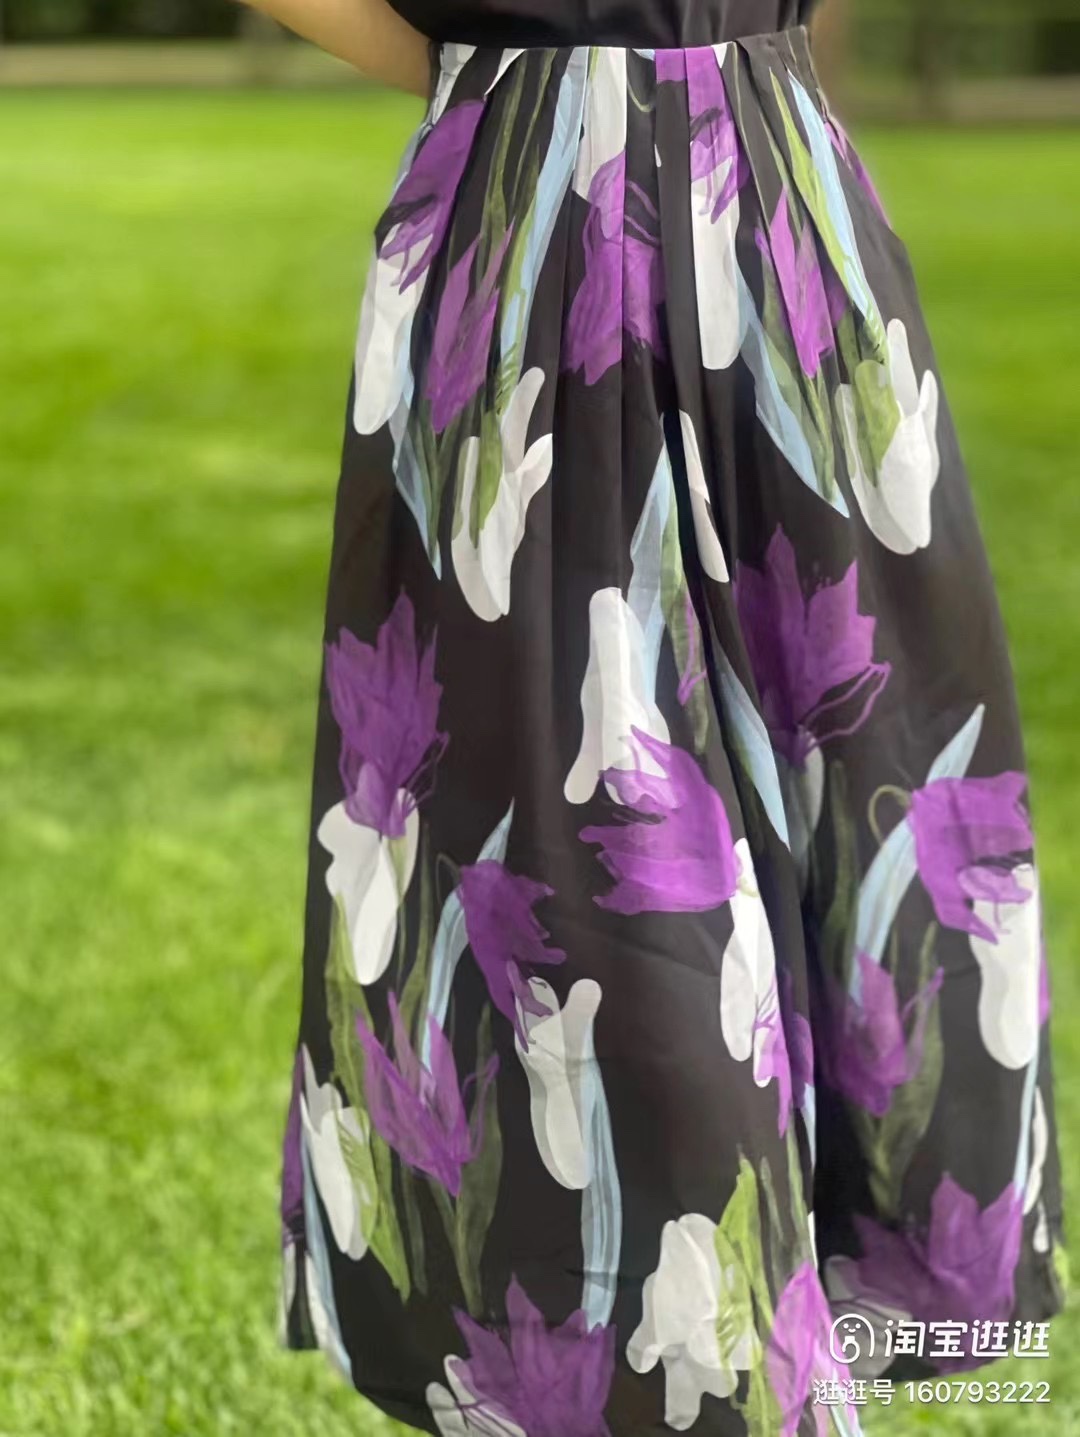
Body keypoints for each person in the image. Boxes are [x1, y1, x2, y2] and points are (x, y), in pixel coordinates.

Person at [250, 0, 1067, 1430]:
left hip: (781, 218)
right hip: (525, 234)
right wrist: (505, 65)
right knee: (586, 862)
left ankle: (827, 1305)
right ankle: (696, 1361)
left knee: (859, 801)